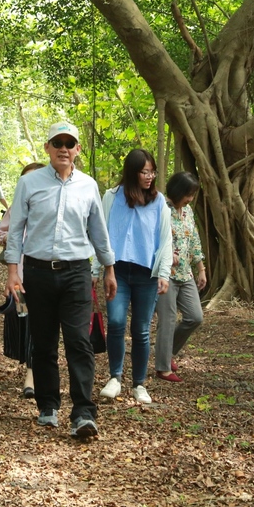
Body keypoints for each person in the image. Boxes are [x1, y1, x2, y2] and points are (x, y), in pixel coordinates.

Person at [3, 122, 116, 440]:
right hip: (37, 273)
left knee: (79, 342)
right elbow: (16, 229)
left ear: (78, 149)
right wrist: (13, 271)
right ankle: (48, 405)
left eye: (70, 143)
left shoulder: (88, 185)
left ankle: (83, 412)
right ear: (48, 148)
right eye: (58, 143)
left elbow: (98, 230)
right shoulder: (29, 183)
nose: (64, 148)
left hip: (77, 273)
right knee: (43, 342)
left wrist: (109, 268)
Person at [98, 149, 171, 405]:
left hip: (146, 274)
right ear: (132, 172)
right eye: (144, 172)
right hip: (116, 272)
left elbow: (165, 237)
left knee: (141, 330)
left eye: (152, 171)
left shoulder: (159, 201)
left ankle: (139, 384)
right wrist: (98, 269)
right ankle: (114, 378)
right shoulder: (111, 197)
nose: (150, 176)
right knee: (116, 323)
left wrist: (164, 272)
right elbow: (102, 232)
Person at [0, 162, 46, 398]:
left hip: (45, 276)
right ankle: (31, 365)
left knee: (39, 324)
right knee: (26, 322)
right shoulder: (15, 208)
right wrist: (10, 239)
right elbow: (0, 234)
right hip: (20, 278)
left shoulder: (52, 206)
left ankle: (32, 375)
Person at [154, 171, 206, 382]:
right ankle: (163, 367)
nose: (190, 199)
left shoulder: (188, 212)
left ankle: (166, 353)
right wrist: (166, 254)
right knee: (166, 321)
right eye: (188, 194)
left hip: (186, 274)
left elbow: (193, 240)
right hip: (165, 274)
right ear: (177, 191)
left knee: (195, 317)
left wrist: (201, 268)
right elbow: (151, 240)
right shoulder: (160, 210)